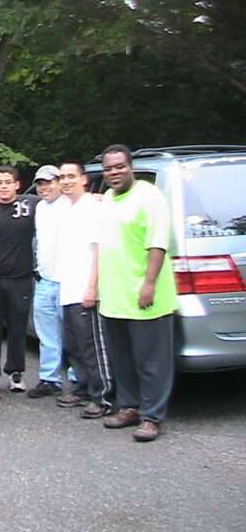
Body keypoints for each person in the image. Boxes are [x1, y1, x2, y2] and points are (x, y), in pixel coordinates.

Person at [97, 145, 177, 442]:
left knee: (152, 362)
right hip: (114, 297)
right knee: (123, 360)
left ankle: (152, 417)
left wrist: (149, 283)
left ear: (131, 167)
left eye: (119, 166)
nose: (114, 172)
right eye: (108, 168)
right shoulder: (108, 197)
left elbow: (157, 242)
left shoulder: (150, 196)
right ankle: (129, 407)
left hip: (145, 296)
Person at [55, 161, 113, 418]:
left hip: (86, 290)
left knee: (92, 347)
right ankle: (83, 387)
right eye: (62, 177)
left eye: (71, 176)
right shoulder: (66, 208)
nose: (66, 181)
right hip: (67, 289)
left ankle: (103, 396)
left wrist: (92, 287)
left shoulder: (93, 207)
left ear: (84, 179)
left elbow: (99, 249)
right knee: (73, 344)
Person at [0, 165, 39, 394]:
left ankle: (16, 373)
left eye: (8, 182)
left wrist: (95, 197)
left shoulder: (31, 204)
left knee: (17, 327)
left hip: (21, 277)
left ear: (17, 184)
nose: (3, 187)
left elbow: (57, 199)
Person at [28, 165, 68, 399]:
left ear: (60, 182)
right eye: (40, 184)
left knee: (73, 335)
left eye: (49, 182)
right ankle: (49, 379)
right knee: (46, 335)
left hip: (68, 281)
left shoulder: (72, 204)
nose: (44, 188)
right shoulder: (40, 207)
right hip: (44, 280)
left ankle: (79, 379)